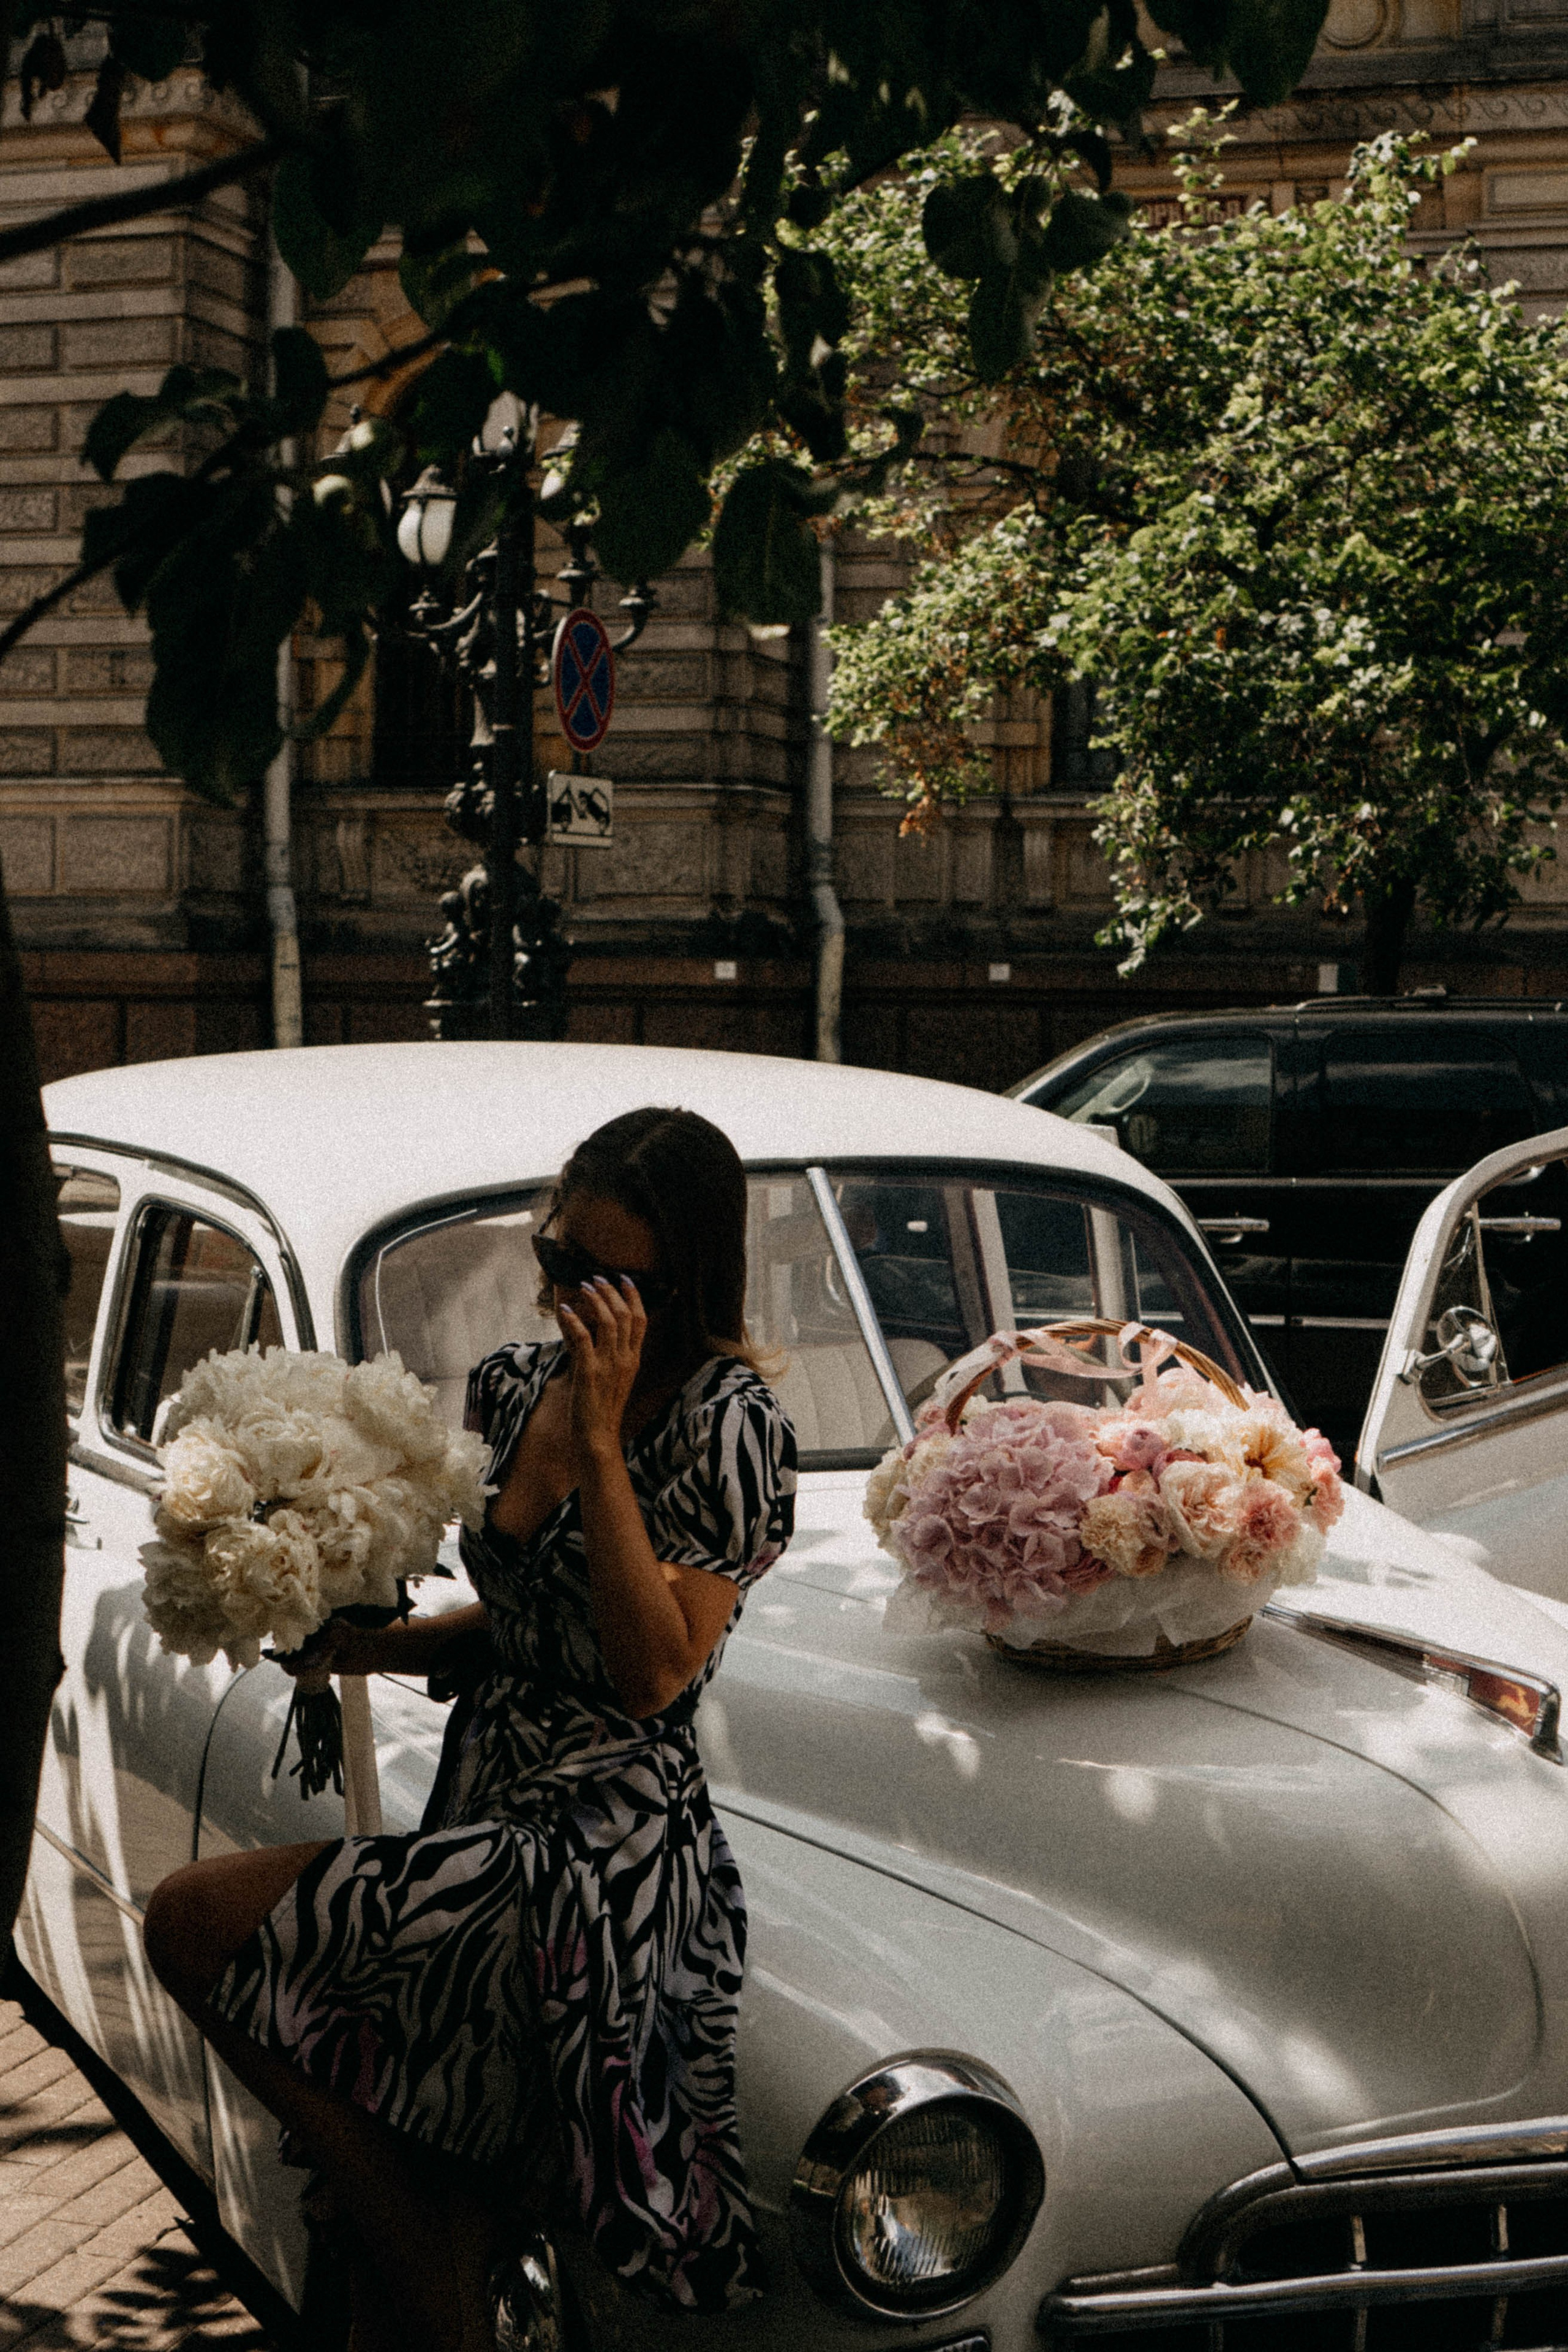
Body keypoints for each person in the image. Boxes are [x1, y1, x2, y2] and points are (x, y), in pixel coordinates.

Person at [143, 1106, 797, 2352]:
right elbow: (522, 1622)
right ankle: (422, 2258)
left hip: (601, 1849)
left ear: (680, 1282)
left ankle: (431, 2277)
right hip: (486, 1794)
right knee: (418, 2168)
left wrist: (601, 1442)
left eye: (604, 1279)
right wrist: (359, 1641)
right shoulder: (512, 1382)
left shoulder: (728, 1423)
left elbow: (654, 1673)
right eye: (557, 1256)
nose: (565, 1295)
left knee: (192, 1920)